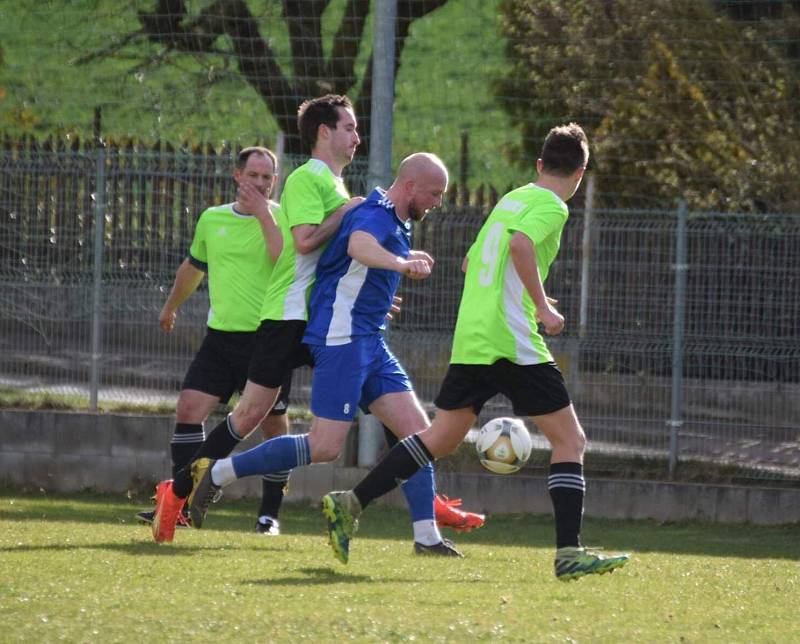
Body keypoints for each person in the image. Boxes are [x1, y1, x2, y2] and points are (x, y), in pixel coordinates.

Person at [151, 96, 481, 543]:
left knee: (390, 410)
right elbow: (306, 242)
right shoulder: (309, 177)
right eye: (349, 127)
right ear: (323, 132)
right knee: (249, 416)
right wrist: (346, 215)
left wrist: (371, 297)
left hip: (322, 319)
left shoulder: (340, 188)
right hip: (288, 315)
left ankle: (426, 517)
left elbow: (341, 262)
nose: (356, 136)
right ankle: (178, 491)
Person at [320, 124, 631, 581]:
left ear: (539, 164)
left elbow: (473, 261)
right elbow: (521, 244)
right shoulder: (551, 205)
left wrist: (522, 294)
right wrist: (541, 306)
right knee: (571, 442)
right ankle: (569, 554)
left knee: (440, 439)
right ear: (581, 172)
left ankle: (350, 503)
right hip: (512, 340)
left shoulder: (513, 198)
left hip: (473, 336)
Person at [139, 146, 293, 535]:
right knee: (189, 408)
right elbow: (194, 267)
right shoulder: (212, 219)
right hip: (222, 338)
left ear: (274, 182)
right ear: (237, 176)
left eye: (267, 177)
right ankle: (181, 504)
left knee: (274, 426)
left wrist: (262, 216)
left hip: (269, 338)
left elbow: (283, 261)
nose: (260, 183)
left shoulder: (283, 219)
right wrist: (171, 306)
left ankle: (269, 516)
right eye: (253, 175)